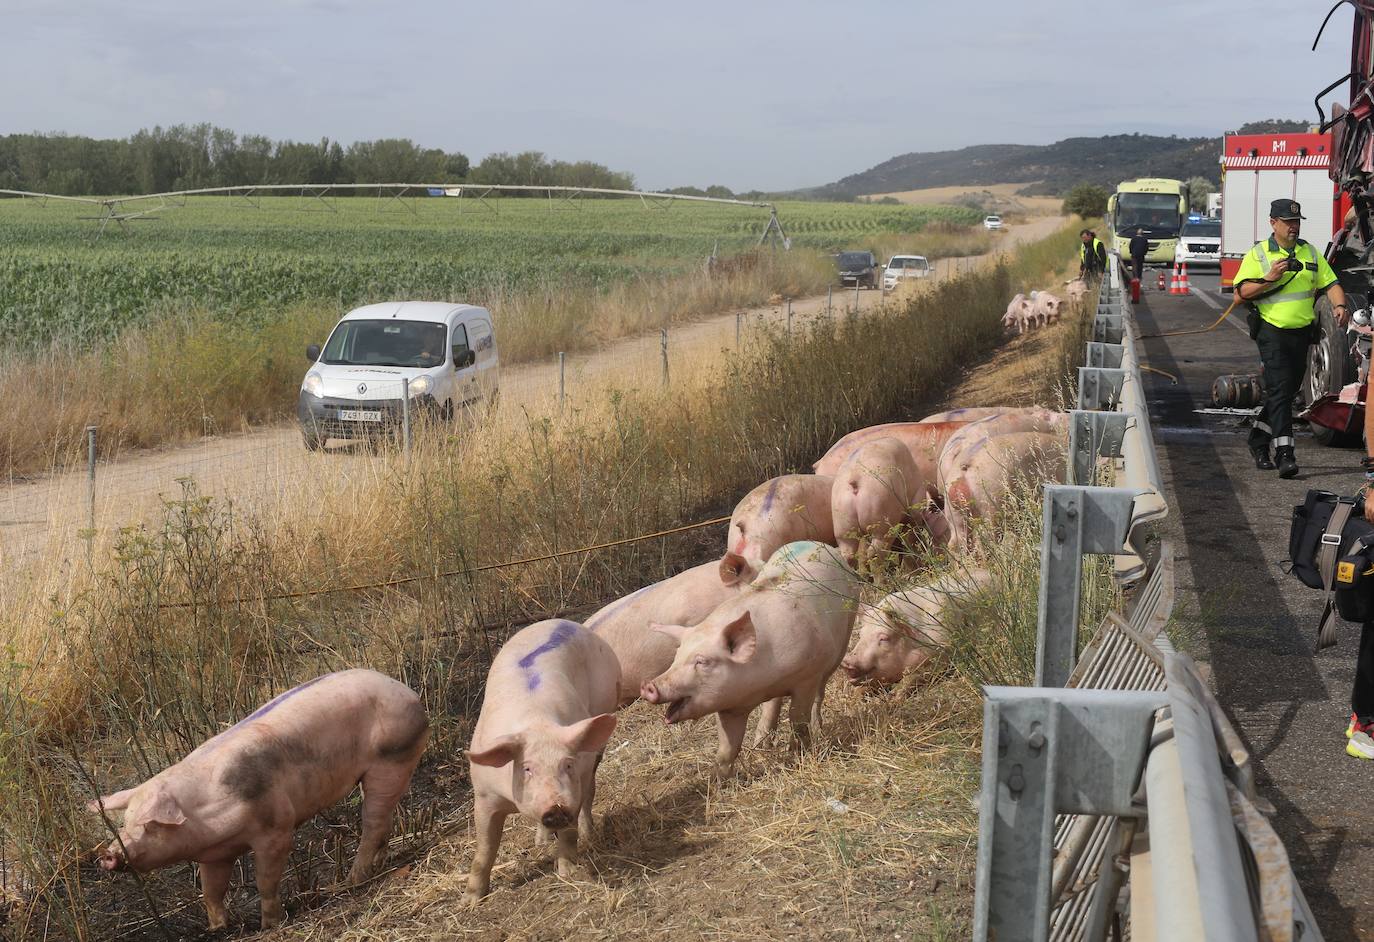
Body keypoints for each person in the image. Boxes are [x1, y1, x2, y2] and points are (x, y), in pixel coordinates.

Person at [1234, 199, 1349, 478]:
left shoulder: (1309, 251)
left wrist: (1340, 306)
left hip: (1301, 334)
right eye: (1288, 222)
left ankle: (1258, 441)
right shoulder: (1259, 254)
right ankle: (1285, 454)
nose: (1293, 227)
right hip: (1272, 332)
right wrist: (1270, 277)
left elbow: (1331, 283)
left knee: (1283, 394)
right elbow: (1240, 294)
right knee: (1280, 390)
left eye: (1296, 222)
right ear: (1273, 223)